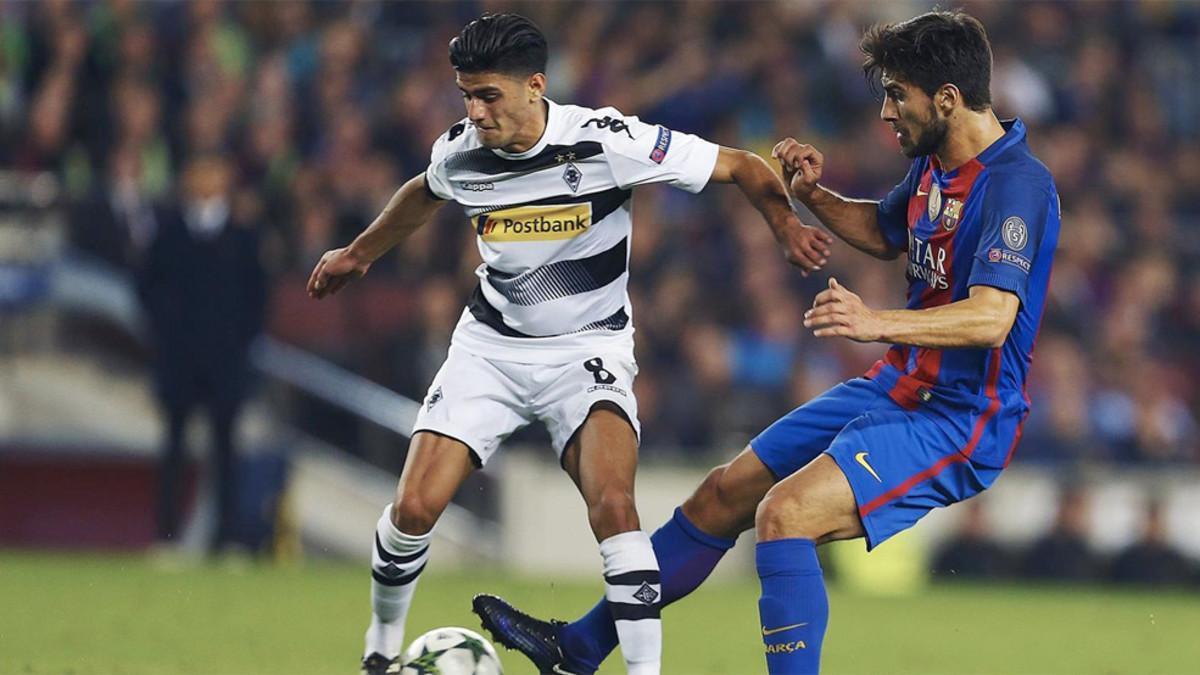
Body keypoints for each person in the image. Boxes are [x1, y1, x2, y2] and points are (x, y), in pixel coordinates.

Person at [476, 10, 1060, 674]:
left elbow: (991, 318)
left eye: (898, 95)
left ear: (947, 100)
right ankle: (577, 648)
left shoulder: (1016, 184)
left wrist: (875, 323)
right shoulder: (936, 162)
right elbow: (886, 229)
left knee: (785, 515)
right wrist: (812, 195)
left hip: (960, 415)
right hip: (899, 385)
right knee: (722, 494)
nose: (885, 112)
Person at [305, 14, 831, 675]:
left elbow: (744, 166)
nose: (476, 111)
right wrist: (359, 253)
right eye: (466, 94)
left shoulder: (606, 141)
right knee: (413, 506)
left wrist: (783, 224)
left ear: (535, 85)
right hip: (491, 350)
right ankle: (380, 649)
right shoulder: (460, 152)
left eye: (488, 95)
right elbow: (422, 194)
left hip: (588, 354)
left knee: (614, 505)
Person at [137, 155, 266, 553]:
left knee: (226, 451)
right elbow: (145, 286)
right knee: (174, 450)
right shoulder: (170, 233)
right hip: (179, 361)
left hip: (225, 363)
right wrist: (167, 333)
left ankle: (228, 539)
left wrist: (236, 341)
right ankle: (167, 537)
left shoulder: (242, 237)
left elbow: (258, 299)